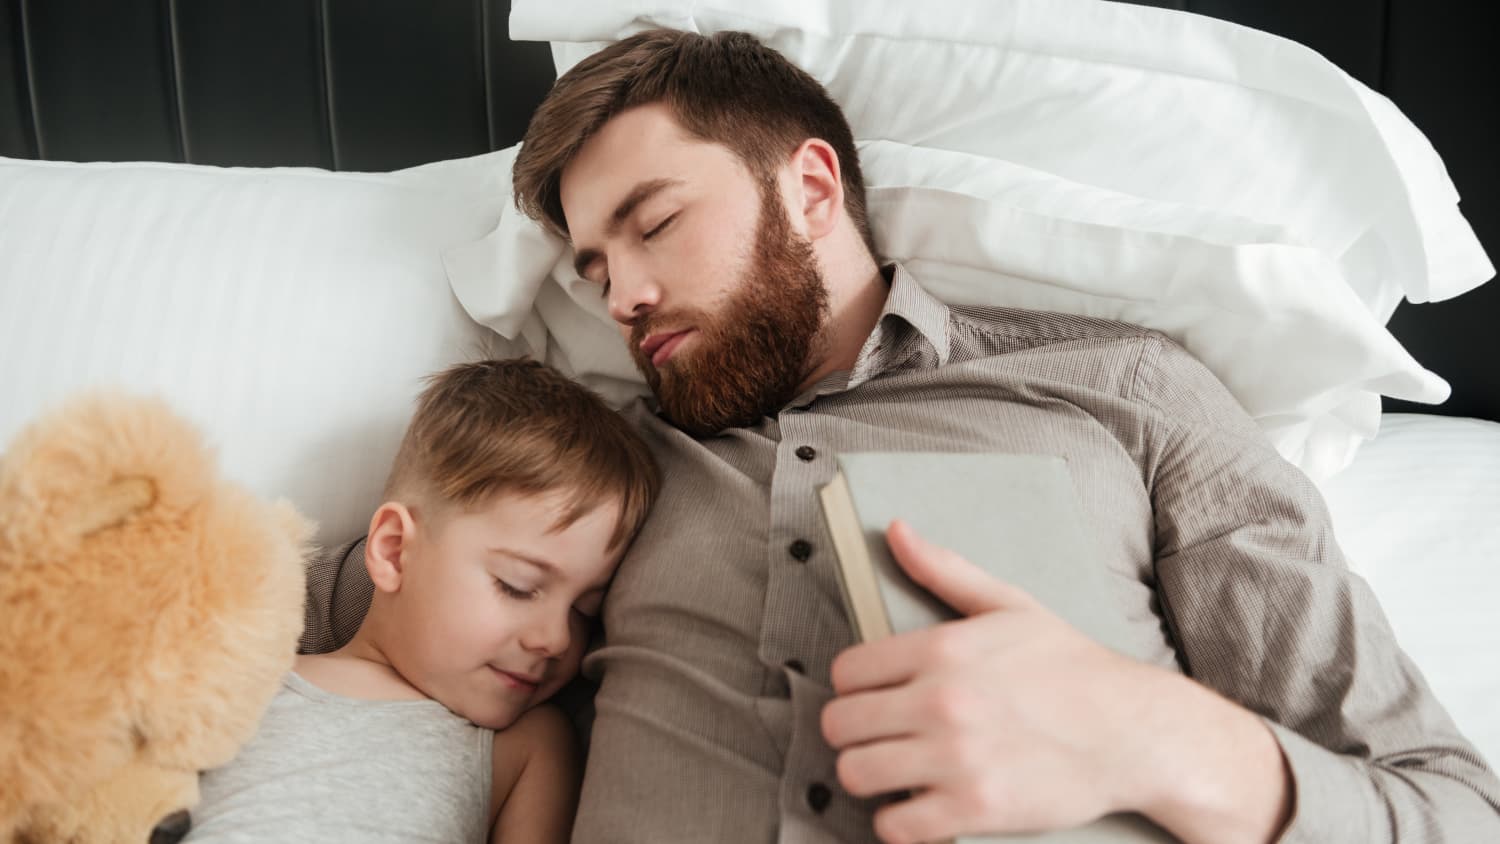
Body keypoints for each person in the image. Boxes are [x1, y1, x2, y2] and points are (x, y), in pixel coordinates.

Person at [307, 29, 1500, 844]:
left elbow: (1448, 809)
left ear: (812, 189)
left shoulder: (1125, 392)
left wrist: (1162, 737)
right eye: (593, 266)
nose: (619, 297)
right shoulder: (601, 467)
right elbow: (317, 604)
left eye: (654, 224)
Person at [187, 359, 658, 843]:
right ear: (393, 550)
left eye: (585, 611)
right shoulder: (238, 675)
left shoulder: (525, 749)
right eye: (517, 585)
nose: (557, 638)